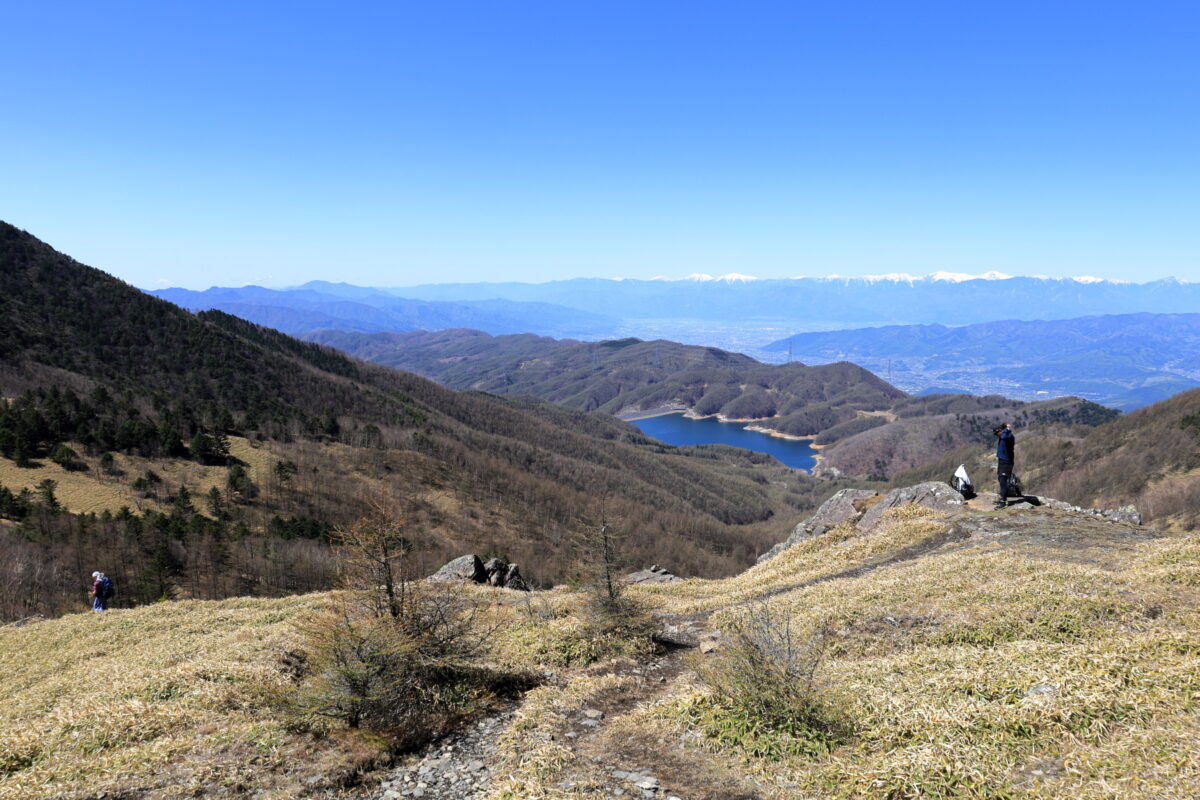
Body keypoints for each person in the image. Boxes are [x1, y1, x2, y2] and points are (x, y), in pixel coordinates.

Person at [993, 423, 1016, 509]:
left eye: (997, 432)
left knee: (1003, 481)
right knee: (1000, 478)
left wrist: (1007, 429)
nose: (997, 435)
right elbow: (1002, 436)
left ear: (1002, 431)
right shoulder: (1004, 435)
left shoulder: (1008, 436)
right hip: (1002, 461)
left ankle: (1004, 501)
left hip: (1007, 462)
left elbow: (1003, 437)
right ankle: (1002, 497)